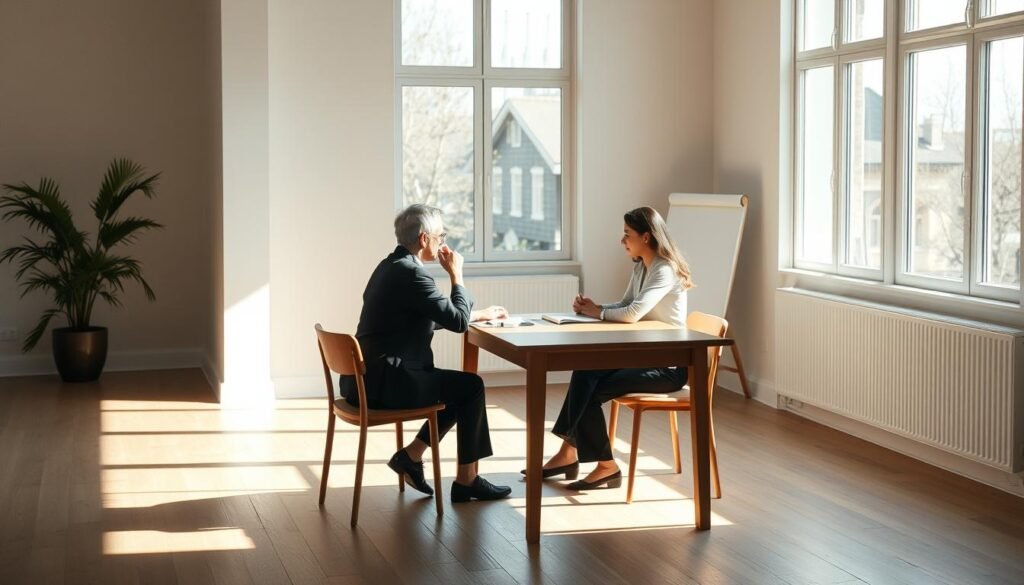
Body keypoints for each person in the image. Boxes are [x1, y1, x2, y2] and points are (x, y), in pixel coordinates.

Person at [341, 204, 512, 503]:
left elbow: (417, 317)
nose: (443, 241)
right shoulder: (414, 276)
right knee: (471, 388)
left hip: (360, 382)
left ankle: (412, 456)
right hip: (387, 385)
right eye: (440, 235)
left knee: (455, 389)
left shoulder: (388, 266)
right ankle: (466, 481)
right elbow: (457, 322)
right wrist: (457, 275)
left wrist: (477, 313)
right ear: (423, 239)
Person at [528, 206, 694, 490]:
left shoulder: (664, 270)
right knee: (584, 371)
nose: (622, 241)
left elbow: (633, 313)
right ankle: (569, 453)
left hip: (666, 368)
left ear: (645, 236)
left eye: (627, 234)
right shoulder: (642, 265)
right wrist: (596, 308)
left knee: (590, 393)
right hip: (643, 357)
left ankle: (606, 465)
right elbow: (624, 303)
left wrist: (597, 312)